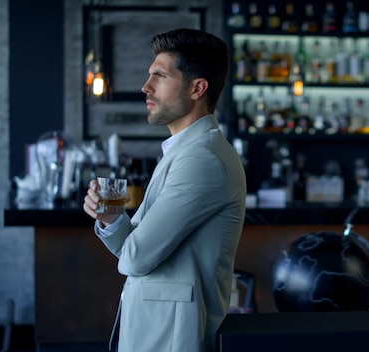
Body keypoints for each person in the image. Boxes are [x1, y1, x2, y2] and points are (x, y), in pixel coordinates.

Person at [82, 28, 246, 351]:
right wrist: (112, 217)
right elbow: (135, 249)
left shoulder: (202, 158)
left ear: (198, 88)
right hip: (157, 332)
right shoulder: (184, 151)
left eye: (159, 76)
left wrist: (119, 226)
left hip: (172, 339)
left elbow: (136, 258)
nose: (146, 87)